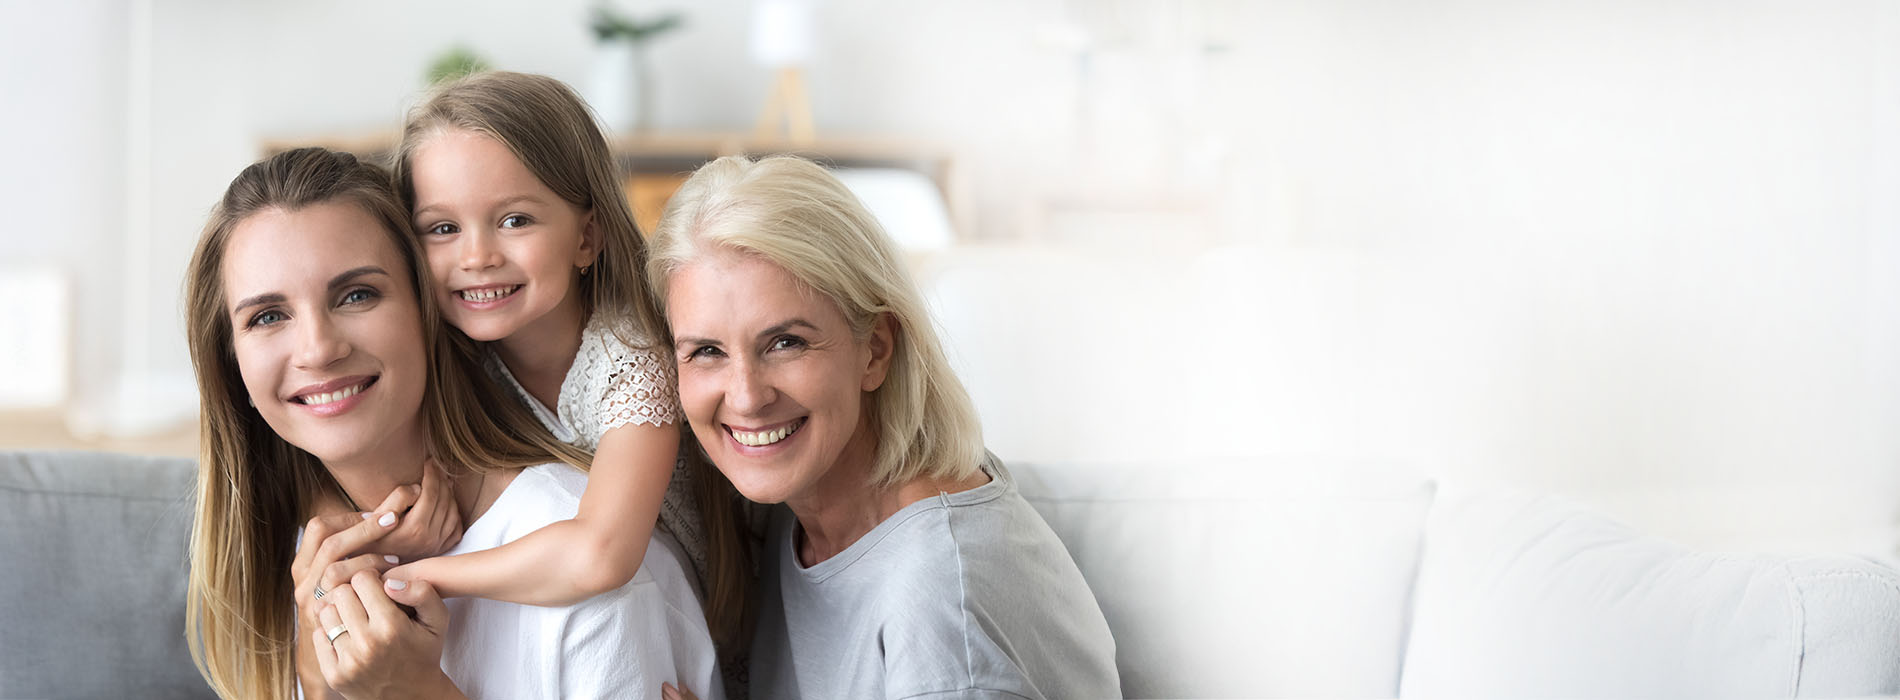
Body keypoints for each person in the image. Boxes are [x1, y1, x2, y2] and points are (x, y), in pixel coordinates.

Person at [182, 146, 722, 699]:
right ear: (232, 362)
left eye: (357, 295)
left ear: (429, 309)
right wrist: (317, 680)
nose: (318, 350)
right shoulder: (315, 565)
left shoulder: (586, 569)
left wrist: (416, 691)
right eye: (268, 316)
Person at [646, 155, 1122, 699]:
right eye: (707, 351)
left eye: (786, 343)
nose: (748, 396)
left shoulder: (937, 598)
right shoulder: (802, 508)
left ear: (875, 350)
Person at [381, 73, 753, 673]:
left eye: (514, 221)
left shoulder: (633, 361)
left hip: (701, 640)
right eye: (443, 229)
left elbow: (601, 555)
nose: (477, 257)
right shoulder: (457, 356)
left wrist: (419, 577)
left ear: (587, 236)